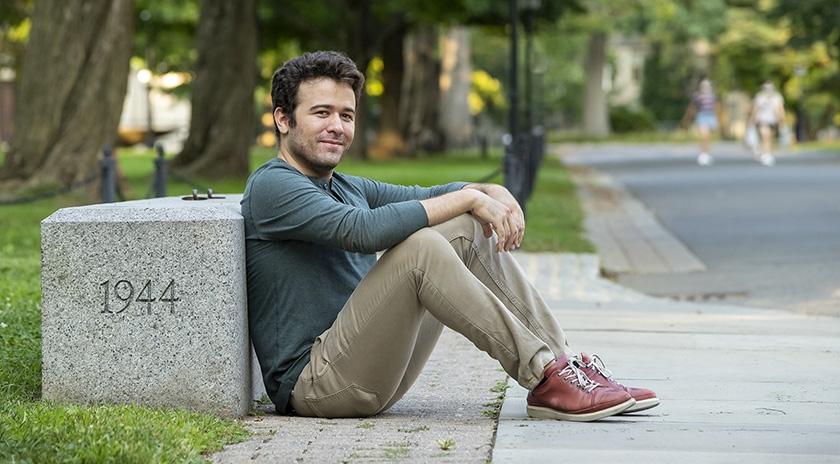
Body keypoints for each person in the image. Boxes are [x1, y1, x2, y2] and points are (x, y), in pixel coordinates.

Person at [241, 51, 659, 422]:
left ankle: (562, 367)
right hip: (316, 384)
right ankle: (541, 373)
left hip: (369, 367)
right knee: (422, 245)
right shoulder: (273, 186)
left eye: (346, 116)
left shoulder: (346, 186)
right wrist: (470, 199)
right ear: (283, 118)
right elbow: (362, 232)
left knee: (460, 227)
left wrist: (488, 192)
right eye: (322, 113)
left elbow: (428, 196)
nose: (337, 126)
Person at [681, 78, 721, 166]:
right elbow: (692, 107)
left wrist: (718, 118)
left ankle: (706, 153)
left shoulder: (713, 96)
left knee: (708, 137)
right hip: (702, 116)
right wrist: (687, 118)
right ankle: (703, 154)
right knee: (704, 136)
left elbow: (717, 107)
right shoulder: (698, 96)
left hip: (711, 116)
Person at [749, 80, 786, 166]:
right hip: (762, 120)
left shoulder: (777, 97)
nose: (768, 90)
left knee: (770, 138)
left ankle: (768, 153)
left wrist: (782, 120)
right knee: (765, 136)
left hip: (773, 120)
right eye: (766, 88)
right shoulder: (759, 97)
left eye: (770, 88)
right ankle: (766, 155)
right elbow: (755, 109)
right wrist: (752, 120)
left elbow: (781, 109)